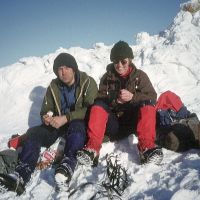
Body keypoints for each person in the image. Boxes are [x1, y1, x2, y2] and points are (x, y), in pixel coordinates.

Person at [0, 53, 98, 194]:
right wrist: (46, 117)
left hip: (79, 124)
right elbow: (45, 110)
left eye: (66, 68)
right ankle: (21, 174)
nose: (62, 72)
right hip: (57, 125)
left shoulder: (88, 82)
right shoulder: (54, 86)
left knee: (76, 127)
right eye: (59, 69)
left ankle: (67, 165)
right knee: (33, 133)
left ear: (73, 68)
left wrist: (67, 117)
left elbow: (92, 109)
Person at [77, 41, 163, 166]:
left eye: (123, 61)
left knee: (147, 104)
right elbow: (100, 97)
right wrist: (115, 100)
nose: (120, 65)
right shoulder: (107, 78)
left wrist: (133, 97)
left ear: (130, 60)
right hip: (115, 123)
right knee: (98, 106)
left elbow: (152, 97)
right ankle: (92, 149)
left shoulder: (140, 76)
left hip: (135, 122)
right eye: (116, 61)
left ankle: (147, 148)